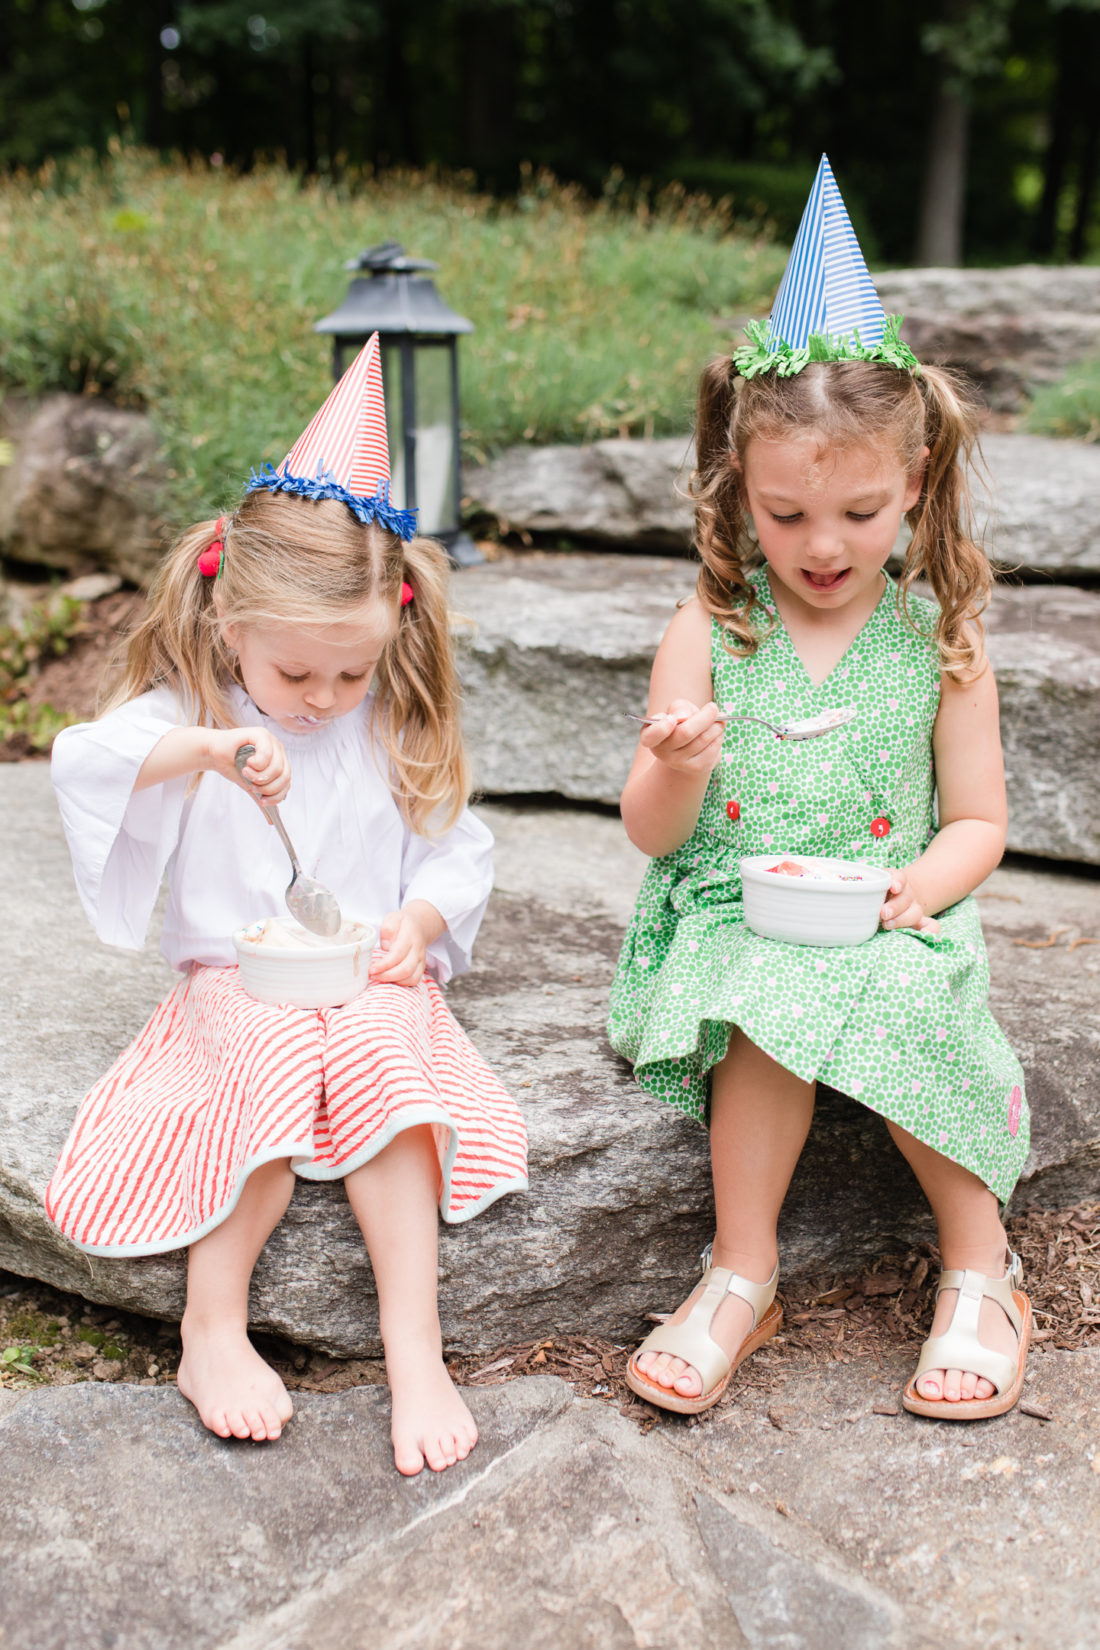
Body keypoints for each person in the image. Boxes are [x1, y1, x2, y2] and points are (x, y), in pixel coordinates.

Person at [46, 337, 528, 1475]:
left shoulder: (388, 725)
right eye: (293, 676)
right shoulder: (199, 709)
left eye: (348, 674)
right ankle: (210, 1326)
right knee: (259, 1065)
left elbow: (456, 851)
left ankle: (416, 1348)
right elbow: (83, 760)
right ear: (231, 631)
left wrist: (415, 928)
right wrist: (209, 745)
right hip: (236, 978)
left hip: (362, 970)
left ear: (391, 627)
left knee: (389, 1065)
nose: (320, 701)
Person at [608, 157, 1030, 1422]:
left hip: (893, 904)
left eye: (857, 509)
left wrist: (919, 892)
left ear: (911, 484)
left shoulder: (940, 639)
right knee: (761, 995)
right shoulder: (709, 628)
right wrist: (674, 768)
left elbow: (980, 821)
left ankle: (979, 1266)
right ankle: (741, 1267)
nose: (823, 546)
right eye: (785, 514)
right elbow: (650, 834)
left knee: (907, 994)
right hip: (736, 909)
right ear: (740, 489)